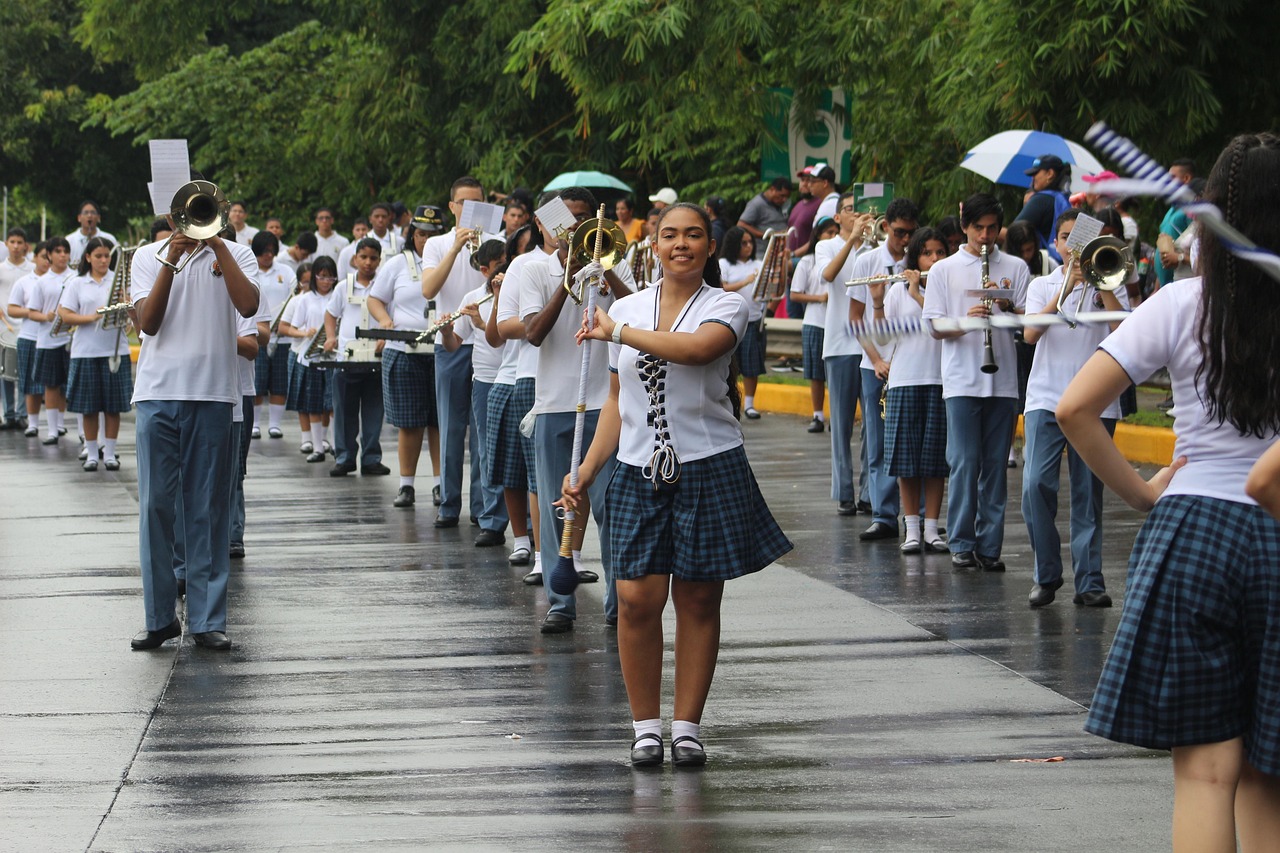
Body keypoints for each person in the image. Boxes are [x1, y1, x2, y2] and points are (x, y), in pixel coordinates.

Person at [1058, 133, 1280, 851]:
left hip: (1191, 535)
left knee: (1205, 774)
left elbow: (1074, 409)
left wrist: (1141, 495)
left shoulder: (1181, 305)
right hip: (1275, 528)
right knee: (1268, 773)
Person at [561, 201, 792, 767]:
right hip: (640, 468)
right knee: (635, 598)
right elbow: (617, 401)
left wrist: (619, 330)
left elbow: (696, 351)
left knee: (696, 596)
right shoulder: (629, 306)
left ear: (710, 246)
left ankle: (686, 727)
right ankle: (644, 727)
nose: (681, 244)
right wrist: (587, 471)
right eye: (670, 236)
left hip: (708, 463)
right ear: (654, 246)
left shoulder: (727, 306)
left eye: (693, 235)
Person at [128, 195, 260, 653]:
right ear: (172, 218)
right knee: (155, 510)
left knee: (207, 510)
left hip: (213, 395)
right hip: (157, 394)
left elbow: (248, 306)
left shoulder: (236, 254)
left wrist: (219, 246)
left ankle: (207, 620)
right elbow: (149, 321)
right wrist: (174, 256)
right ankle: (160, 617)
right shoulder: (149, 255)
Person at [520, 186, 635, 634]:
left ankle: (616, 603)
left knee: (610, 507)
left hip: (610, 406)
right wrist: (569, 282)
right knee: (557, 507)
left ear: (596, 221)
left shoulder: (614, 260)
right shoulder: (535, 269)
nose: (574, 229)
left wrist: (607, 277)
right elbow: (532, 333)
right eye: (566, 220)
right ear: (552, 226)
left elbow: (639, 315)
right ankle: (560, 601)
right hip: (554, 404)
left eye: (583, 218)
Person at [1021, 209, 1127, 607]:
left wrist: (1106, 288)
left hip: (1096, 402)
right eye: (1066, 238)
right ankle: (1046, 574)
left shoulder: (1111, 278)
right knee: (1035, 485)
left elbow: (1126, 336)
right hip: (1046, 398)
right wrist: (1065, 289)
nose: (1073, 246)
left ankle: (1090, 582)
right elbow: (1030, 333)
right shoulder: (1041, 284)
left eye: (1082, 239)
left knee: (1088, 494)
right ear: (1057, 242)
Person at [922, 193, 1030, 571]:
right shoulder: (943, 270)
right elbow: (934, 326)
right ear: (965, 226)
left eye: (992, 228)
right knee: (965, 462)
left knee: (995, 466)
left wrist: (1007, 309)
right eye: (978, 228)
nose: (985, 236)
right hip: (962, 380)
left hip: (1003, 382)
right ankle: (962, 541)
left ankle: (990, 545)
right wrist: (968, 319)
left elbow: (1028, 325)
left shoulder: (1015, 267)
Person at [496, 195, 564, 584]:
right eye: (558, 221)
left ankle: (568, 554)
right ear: (542, 223)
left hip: (581, 381)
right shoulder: (525, 264)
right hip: (533, 375)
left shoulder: (600, 261)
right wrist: (545, 318)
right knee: (540, 476)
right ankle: (543, 555)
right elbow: (505, 328)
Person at [847, 197, 921, 542]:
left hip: (911, 361)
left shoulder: (918, 260)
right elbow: (855, 318)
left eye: (911, 233)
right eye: (900, 232)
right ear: (886, 226)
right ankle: (883, 514)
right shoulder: (867, 261)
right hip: (873, 362)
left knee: (913, 443)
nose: (905, 240)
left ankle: (917, 518)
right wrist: (875, 359)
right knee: (877, 442)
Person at [367, 204, 445, 508]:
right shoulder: (398, 264)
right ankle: (407, 485)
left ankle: (441, 484)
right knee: (410, 422)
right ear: (412, 233)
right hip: (405, 348)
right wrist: (385, 321)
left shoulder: (448, 261)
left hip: (441, 348)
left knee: (439, 421)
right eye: (421, 234)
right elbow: (375, 299)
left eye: (432, 234)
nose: (425, 240)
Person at [421, 177, 489, 528]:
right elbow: (429, 288)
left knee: (482, 432)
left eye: (477, 202)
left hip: (486, 343)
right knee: (450, 426)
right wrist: (455, 248)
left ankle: (481, 508)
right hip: (450, 342)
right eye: (464, 202)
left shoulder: (496, 243)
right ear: (452, 207)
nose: (470, 209)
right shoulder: (436, 243)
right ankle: (448, 504)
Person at [879, 228, 949, 554]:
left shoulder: (948, 289)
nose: (934, 259)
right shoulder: (896, 292)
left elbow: (944, 326)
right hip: (905, 379)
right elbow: (883, 340)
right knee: (907, 461)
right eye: (927, 253)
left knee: (935, 460)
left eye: (939, 253)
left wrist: (919, 292)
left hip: (940, 379)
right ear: (915, 257)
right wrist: (879, 303)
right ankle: (911, 528)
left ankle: (933, 528)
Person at [437, 238, 509, 545]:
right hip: (485, 378)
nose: (504, 270)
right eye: (498, 266)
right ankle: (489, 518)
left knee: (518, 451)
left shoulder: (518, 291)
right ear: (484, 269)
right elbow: (454, 344)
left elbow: (511, 334)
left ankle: (529, 525)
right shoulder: (474, 296)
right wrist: (444, 330)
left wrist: (481, 322)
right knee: (484, 450)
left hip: (517, 377)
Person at [817, 192, 874, 516]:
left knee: (872, 424)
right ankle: (844, 493)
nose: (857, 215)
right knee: (841, 425)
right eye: (850, 210)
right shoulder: (826, 245)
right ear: (838, 217)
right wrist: (851, 240)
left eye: (860, 210)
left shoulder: (873, 247)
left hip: (870, 346)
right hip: (839, 344)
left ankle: (869, 492)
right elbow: (828, 276)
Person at [58, 236, 133, 471]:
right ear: (88, 258)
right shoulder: (77, 282)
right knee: (88, 407)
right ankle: (91, 453)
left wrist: (126, 304)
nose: (103, 260)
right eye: (98, 256)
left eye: (106, 256)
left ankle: (109, 452)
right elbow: (65, 314)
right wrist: (92, 317)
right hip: (85, 351)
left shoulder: (119, 283)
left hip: (114, 350)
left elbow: (132, 316)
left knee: (112, 406)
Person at [323, 237, 389, 477]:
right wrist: (331, 337)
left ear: (379, 261)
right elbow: (330, 315)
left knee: (374, 409)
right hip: (346, 357)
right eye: (363, 257)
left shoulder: (383, 286)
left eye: (373, 258)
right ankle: (344, 456)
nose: (368, 263)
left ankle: (371, 457)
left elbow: (390, 317)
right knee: (343, 410)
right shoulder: (343, 286)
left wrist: (386, 337)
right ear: (354, 259)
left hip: (375, 358)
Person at [280, 255, 337, 462]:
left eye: (330, 278)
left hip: (332, 356)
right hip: (310, 356)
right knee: (313, 403)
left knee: (331, 403)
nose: (325, 282)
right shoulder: (305, 299)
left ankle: (332, 442)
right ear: (314, 277)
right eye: (322, 277)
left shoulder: (337, 296)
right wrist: (305, 333)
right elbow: (291, 327)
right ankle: (316, 446)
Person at [789, 216, 838, 433]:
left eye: (835, 232)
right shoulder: (807, 262)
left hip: (837, 323)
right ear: (818, 235)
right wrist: (820, 299)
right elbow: (795, 295)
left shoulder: (843, 257)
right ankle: (818, 415)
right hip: (815, 322)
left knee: (836, 373)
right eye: (828, 232)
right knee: (816, 373)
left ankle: (836, 415)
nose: (833, 237)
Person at [26, 237, 76, 444]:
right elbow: (31, 312)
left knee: (71, 385)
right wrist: (45, 317)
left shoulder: (75, 278)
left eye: (65, 251)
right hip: (49, 340)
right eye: (58, 251)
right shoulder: (42, 282)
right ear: (49, 255)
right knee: (51, 385)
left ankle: (67, 425)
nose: (62, 255)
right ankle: (53, 429)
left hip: (72, 339)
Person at [247, 231, 297, 439]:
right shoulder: (249, 271)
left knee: (279, 381)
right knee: (257, 380)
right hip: (257, 334)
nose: (267, 255)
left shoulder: (285, 271)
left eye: (271, 251)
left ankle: (275, 424)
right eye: (263, 251)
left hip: (281, 336)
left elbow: (296, 297)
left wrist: (285, 322)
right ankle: (256, 423)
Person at [717, 227, 765, 418]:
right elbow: (721, 288)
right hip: (729, 320)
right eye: (743, 243)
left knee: (752, 364)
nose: (748, 246)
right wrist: (745, 282)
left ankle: (750, 404)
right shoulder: (725, 264)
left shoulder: (758, 263)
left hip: (753, 319)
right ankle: (730, 400)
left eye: (750, 243)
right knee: (729, 365)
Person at [8, 241, 50, 436]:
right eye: (44, 257)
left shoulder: (63, 280)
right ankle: (31, 422)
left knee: (53, 384)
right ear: (35, 258)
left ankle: (54, 426)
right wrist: (34, 312)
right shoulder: (25, 282)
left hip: (52, 338)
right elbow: (12, 309)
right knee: (29, 382)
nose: (48, 261)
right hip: (29, 336)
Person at [0, 227, 34, 428]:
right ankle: (8, 413)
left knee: (23, 370)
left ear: (25, 246)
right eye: (12, 242)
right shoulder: (1, 269)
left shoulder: (31, 269)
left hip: (25, 325)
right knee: (4, 371)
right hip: (4, 327)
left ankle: (22, 413)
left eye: (19, 242)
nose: (15, 246)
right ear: (6, 244)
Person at [1013, 154, 1072, 263]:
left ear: (1050, 174)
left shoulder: (1041, 199)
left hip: (1045, 266)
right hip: (1063, 263)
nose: (1032, 178)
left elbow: (1014, 233)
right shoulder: (1064, 197)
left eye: (1036, 173)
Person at [1151, 158, 1196, 289]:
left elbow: (1197, 248)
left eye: (1172, 177)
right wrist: (1156, 289)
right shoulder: (1172, 209)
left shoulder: (1191, 211)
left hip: (1184, 285)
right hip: (1166, 287)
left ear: (1186, 178)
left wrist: (1180, 257)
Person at [338, 202, 403, 272]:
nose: (380, 220)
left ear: (388, 219)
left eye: (383, 216)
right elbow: (353, 262)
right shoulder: (362, 241)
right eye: (377, 216)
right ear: (370, 219)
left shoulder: (399, 241)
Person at [736, 178, 793, 257]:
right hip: (761, 253)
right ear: (772, 189)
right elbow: (741, 224)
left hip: (779, 253)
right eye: (782, 195)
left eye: (787, 197)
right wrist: (768, 235)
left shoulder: (783, 204)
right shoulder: (756, 204)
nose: (784, 199)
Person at [65, 201, 117, 267]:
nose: (89, 215)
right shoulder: (69, 240)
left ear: (98, 217)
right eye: (85, 213)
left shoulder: (109, 238)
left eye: (93, 212)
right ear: (79, 218)